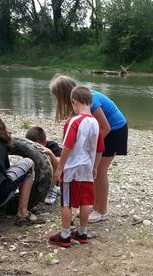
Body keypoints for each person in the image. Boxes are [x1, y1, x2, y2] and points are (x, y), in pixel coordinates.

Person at [49, 75, 128, 223]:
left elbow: (105, 128)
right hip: (105, 131)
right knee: (95, 170)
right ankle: (95, 206)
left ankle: (101, 210)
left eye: (57, 97)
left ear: (65, 94)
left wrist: (91, 147)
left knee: (100, 170)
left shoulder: (90, 101)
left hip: (115, 130)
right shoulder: (81, 100)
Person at [48, 86, 105, 247]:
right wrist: (95, 167)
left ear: (74, 102)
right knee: (85, 201)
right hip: (87, 168)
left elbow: (67, 146)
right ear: (91, 102)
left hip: (72, 168)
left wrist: (59, 167)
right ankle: (82, 232)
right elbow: (100, 149)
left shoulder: (74, 121)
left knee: (66, 201)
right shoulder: (95, 123)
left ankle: (65, 235)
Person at [26, 126, 62, 204]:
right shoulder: (29, 149)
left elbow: (59, 165)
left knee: (50, 159)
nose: (34, 148)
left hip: (59, 174)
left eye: (37, 146)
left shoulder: (52, 146)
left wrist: (50, 153)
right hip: (42, 173)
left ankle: (53, 189)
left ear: (44, 142)